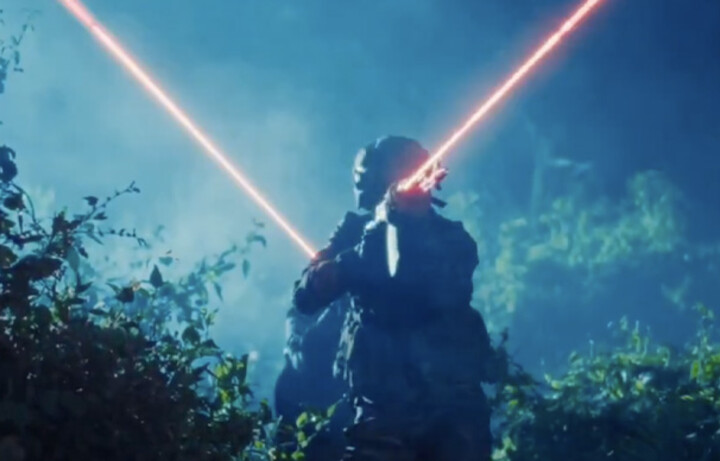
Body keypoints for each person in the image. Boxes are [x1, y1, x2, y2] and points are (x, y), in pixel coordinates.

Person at [291, 135, 494, 461]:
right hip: (383, 403)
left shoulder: (453, 238)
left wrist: (394, 228)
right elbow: (306, 296)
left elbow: (425, 285)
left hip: (450, 404)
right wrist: (330, 273)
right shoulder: (355, 231)